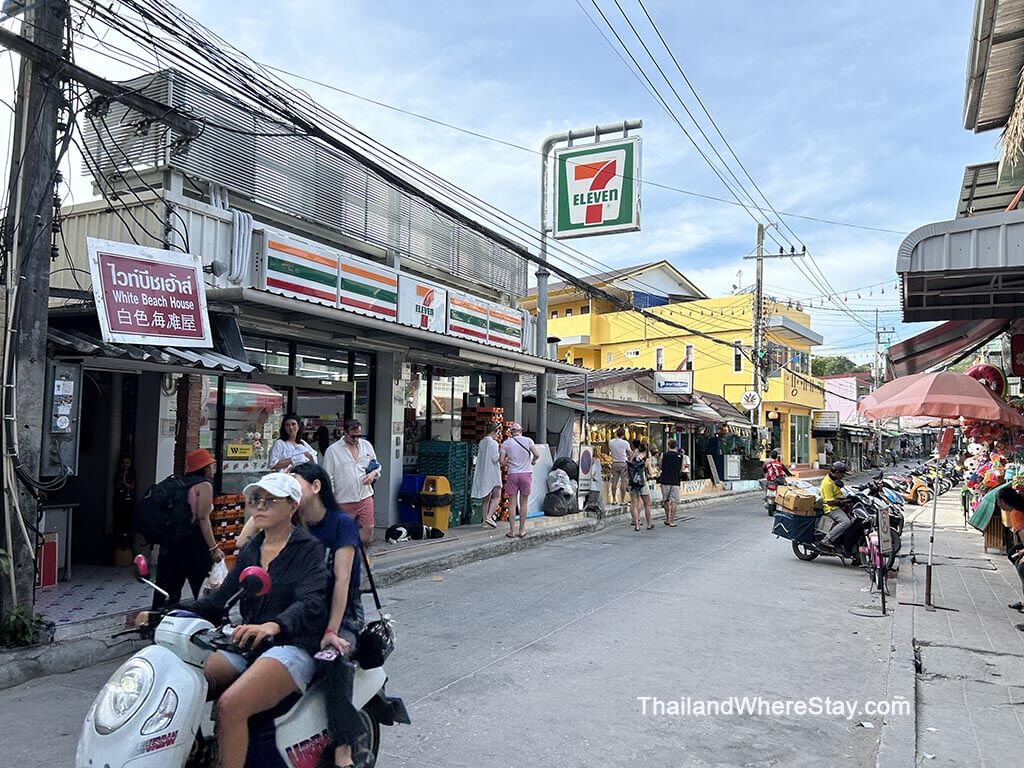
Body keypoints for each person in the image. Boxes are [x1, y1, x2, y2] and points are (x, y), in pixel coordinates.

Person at [148, 472, 329, 768]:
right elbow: (217, 601)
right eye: (256, 500)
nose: (259, 507)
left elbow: (312, 602)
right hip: (247, 642)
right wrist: (163, 612)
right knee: (185, 687)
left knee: (230, 706)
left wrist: (275, 625)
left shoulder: (309, 549)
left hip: (291, 644)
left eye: (269, 500)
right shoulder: (252, 550)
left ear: (293, 506)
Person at [153, 449, 225, 609]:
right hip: (194, 543)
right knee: (202, 587)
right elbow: (203, 519)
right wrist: (214, 548)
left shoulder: (178, 483)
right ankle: (206, 620)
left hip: (171, 541)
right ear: (204, 468)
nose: (212, 469)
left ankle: (159, 621)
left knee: (168, 587)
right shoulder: (204, 486)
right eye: (210, 466)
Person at [324, 419, 380, 546]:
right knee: (344, 533)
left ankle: (363, 554)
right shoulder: (333, 451)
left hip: (364, 496)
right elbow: (328, 477)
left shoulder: (366, 446)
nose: (356, 439)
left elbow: (376, 466)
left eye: (359, 436)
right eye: (353, 436)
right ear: (345, 433)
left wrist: (373, 474)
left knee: (368, 528)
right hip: (343, 499)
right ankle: (349, 555)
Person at [500, 423, 540, 539]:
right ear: (521, 430)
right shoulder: (528, 441)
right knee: (524, 503)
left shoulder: (506, 444)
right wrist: (532, 461)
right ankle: (522, 530)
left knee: (512, 503)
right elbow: (537, 454)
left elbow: (501, 461)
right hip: (526, 474)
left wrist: (508, 463)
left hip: (512, 474)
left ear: (511, 432)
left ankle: (512, 531)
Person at [471, 422, 503, 528]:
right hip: (493, 472)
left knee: (486, 498)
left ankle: (484, 521)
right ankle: (489, 516)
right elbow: (495, 458)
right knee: (497, 496)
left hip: (483, 472)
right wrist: (502, 454)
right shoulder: (494, 443)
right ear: (494, 431)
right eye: (497, 432)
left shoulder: (482, 442)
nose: (498, 434)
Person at [819, 461, 853, 550]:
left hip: (837, 505)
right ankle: (827, 539)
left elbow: (838, 494)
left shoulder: (835, 480)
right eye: (843, 474)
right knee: (846, 522)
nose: (843, 476)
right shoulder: (827, 483)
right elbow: (830, 502)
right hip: (830, 508)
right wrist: (841, 502)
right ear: (837, 472)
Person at [627, 441, 654, 531]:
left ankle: (637, 525)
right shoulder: (646, 459)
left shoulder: (632, 457)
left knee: (634, 504)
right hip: (642, 483)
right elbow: (650, 473)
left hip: (633, 483)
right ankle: (649, 524)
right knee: (647, 504)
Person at [659, 440, 683, 527]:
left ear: (668, 445)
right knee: (674, 501)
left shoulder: (663, 455)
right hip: (675, 481)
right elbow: (681, 468)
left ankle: (667, 518)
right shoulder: (680, 456)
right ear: (676, 446)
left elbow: (660, 466)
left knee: (666, 500)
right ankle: (672, 521)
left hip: (665, 480)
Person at [112, 455, 136, 543]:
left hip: (129, 500)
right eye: (123, 463)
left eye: (127, 463)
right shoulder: (117, 475)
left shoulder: (132, 474)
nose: (125, 465)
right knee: (118, 520)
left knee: (128, 520)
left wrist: (125, 482)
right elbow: (115, 487)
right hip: (119, 500)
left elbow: (133, 486)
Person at [763, 450, 791, 516]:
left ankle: (766, 499)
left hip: (770, 482)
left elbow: (764, 471)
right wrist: (790, 474)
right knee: (784, 491)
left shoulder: (767, 464)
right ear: (777, 457)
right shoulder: (780, 464)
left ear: (770, 456)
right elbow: (786, 471)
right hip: (780, 481)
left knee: (766, 487)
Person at [608, 428, 631, 505]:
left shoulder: (610, 442)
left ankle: (614, 500)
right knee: (623, 481)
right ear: (623, 435)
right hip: (623, 463)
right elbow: (629, 453)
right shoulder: (625, 443)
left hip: (614, 463)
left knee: (614, 482)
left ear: (616, 434)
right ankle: (622, 500)